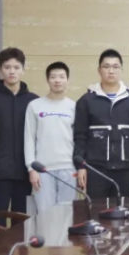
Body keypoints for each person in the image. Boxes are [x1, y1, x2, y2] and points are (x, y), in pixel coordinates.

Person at [0, 48, 38, 226]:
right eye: (7, 67)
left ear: (23, 70)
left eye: (16, 67)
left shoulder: (33, 101)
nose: (12, 71)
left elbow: (37, 137)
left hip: (25, 171)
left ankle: (21, 246)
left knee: (22, 220)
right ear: (0, 70)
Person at [73, 49, 129, 199]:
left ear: (121, 70)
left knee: (123, 210)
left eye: (115, 67)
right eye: (106, 66)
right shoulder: (86, 101)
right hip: (95, 170)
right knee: (96, 210)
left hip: (125, 170)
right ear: (99, 70)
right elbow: (80, 136)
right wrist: (81, 166)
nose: (111, 71)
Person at [25, 62, 76, 214]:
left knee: (67, 214)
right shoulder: (35, 105)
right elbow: (29, 138)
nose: (57, 80)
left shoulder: (74, 106)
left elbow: (79, 140)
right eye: (53, 77)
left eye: (61, 77)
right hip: (42, 169)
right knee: (44, 214)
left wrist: (80, 169)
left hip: (69, 168)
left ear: (67, 80)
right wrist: (31, 168)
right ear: (48, 80)